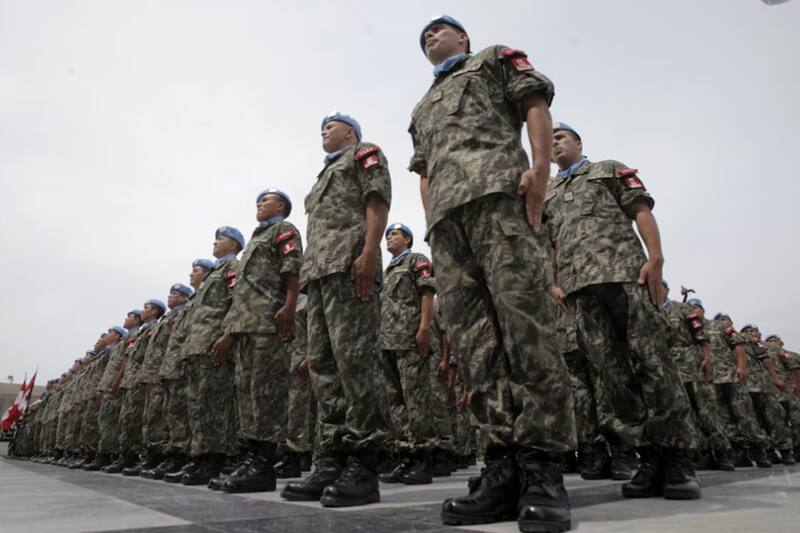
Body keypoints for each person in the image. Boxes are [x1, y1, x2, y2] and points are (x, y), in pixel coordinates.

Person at [409, 15, 576, 532]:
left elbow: (534, 105)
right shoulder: (421, 108)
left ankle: (543, 468)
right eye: (423, 38)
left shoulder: (494, 59)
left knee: (526, 329)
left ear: (463, 38)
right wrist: (431, 223)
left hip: (500, 201)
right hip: (448, 226)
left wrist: (541, 169)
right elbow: (426, 171)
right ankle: (501, 464)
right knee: (475, 346)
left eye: (439, 30)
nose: (430, 38)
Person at [544, 122, 701, 501]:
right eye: (548, 141)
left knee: (653, 363)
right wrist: (552, 281)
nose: (554, 144)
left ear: (579, 142)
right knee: (610, 373)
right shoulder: (546, 193)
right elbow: (546, 242)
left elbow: (640, 209)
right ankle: (647, 455)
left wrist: (656, 257)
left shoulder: (609, 169)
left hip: (625, 276)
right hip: (580, 291)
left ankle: (677, 457)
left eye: (560, 137)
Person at [281, 112, 390, 507]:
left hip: (350, 268)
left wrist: (368, 252)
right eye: (322, 127)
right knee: (326, 370)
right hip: (320, 276)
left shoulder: (364, 153)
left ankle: (363, 463)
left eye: (333, 125)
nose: (325, 130)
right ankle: (331, 458)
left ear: (351, 132)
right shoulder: (321, 178)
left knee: (355, 364)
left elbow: (376, 202)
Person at [211, 188, 302, 493]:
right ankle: (251, 458)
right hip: (246, 327)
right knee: (248, 395)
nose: (260, 204)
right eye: (258, 201)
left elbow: (292, 267)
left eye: (267, 200)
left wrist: (289, 305)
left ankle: (263, 465)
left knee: (265, 394)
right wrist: (230, 331)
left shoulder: (284, 230)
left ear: (282, 206)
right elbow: (240, 295)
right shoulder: (254, 241)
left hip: (267, 322)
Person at [166, 227, 243, 485]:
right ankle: (199, 457)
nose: (215, 242)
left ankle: (213, 460)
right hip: (198, 348)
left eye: (220, 239)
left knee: (213, 406)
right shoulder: (212, 278)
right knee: (198, 406)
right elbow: (196, 321)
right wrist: (187, 351)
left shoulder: (232, 267)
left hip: (215, 346)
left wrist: (229, 336)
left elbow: (238, 301)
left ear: (233, 245)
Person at [378, 223, 441, 485]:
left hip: (410, 339)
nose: (389, 238)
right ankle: (405, 454)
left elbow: (427, 291)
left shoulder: (416, 260)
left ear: (407, 239)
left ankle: (424, 457)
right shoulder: (387, 271)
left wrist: (425, 327)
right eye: (388, 235)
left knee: (416, 400)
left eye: (394, 234)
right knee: (396, 403)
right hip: (388, 342)